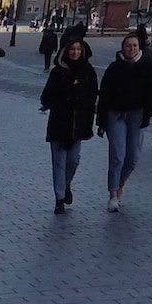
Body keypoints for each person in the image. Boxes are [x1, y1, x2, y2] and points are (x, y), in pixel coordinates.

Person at [96, 33, 152, 212]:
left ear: (139, 48)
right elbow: (104, 94)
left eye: (135, 46)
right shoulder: (114, 68)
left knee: (133, 157)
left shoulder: (147, 66)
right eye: (128, 46)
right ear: (122, 48)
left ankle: (121, 183)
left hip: (137, 115)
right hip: (116, 115)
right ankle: (113, 195)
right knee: (117, 155)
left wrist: (148, 114)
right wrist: (101, 121)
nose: (131, 49)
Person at [40, 37, 97, 214]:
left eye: (78, 49)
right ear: (65, 51)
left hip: (78, 124)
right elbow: (46, 98)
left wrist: (87, 112)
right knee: (58, 163)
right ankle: (59, 199)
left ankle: (66, 184)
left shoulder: (87, 71)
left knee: (73, 160)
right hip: (59, 123)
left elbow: (92, 95)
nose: (75, 52)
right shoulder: (58, 72)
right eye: (72, 49)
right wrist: (62, 100)